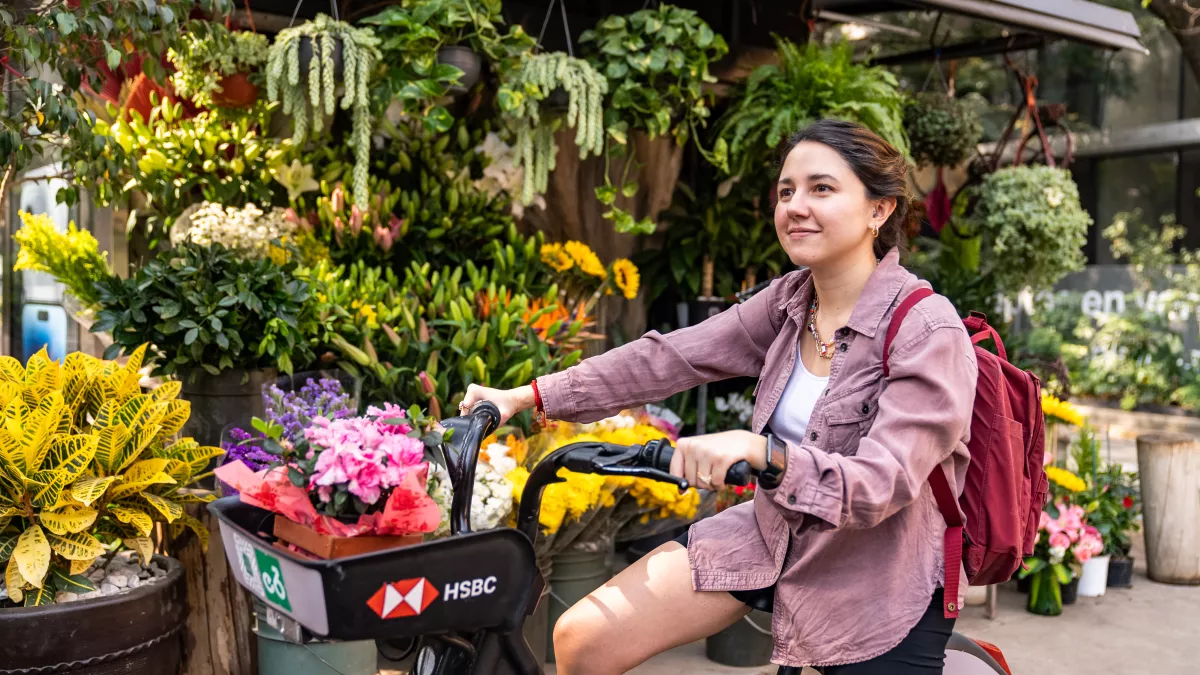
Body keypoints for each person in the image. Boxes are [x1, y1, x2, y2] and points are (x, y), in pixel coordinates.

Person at [460, 119, 978, 675]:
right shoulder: (789, 302)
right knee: (585, 639)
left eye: (821, 188)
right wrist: (530, 395)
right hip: (770, 531)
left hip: (876, 571)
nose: (795, 206)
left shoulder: (927, 330)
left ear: (879, 210)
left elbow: (882, 483)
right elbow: (669, 357)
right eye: (786, 191)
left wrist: (766, 455)